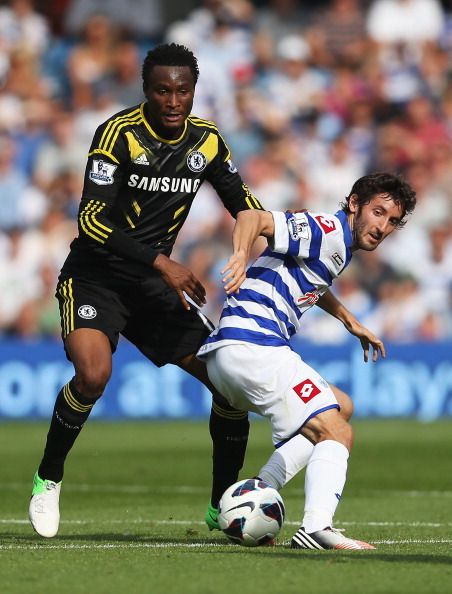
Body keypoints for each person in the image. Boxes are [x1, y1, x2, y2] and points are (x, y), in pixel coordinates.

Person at [28, 42, 263, 538]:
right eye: (163, 90)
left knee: (230, 384)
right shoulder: (118, 134)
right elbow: (90, 220)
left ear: (194, 90)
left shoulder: (208, 141)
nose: (173, 101)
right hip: (97, 276)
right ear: (146, 91)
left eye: (183, 90)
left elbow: (245, 204)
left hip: (155, 286)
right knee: (93, 375)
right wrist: (165, 264)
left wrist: (278, 238)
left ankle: (221, 505)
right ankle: (48, 478)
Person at [197, 172, 416, 550]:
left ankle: (257, 493)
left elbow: (313, 279)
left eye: (392, 221)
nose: (382, 227)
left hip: (231, 356)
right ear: (353, 204)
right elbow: (252, 218)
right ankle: (317, 527)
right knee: (336, 432)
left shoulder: (337, 246)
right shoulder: (325, 228)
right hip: (254, 347)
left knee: (341, 406)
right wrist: (238, 256)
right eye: (378, 212)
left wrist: (350, 320)